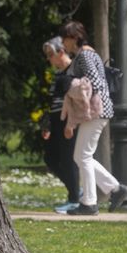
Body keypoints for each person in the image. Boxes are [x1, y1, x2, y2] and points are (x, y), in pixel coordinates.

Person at [58, 21, 127, 215]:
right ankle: (115, 189)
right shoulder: (87, 53)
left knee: (83, 156)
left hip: (96, 110)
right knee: (82, 156)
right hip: (98, 110)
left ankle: (89, 203)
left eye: (65, 39)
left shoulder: (86, 55)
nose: (64, 44)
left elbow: (94, 83)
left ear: (73, 38)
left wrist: (71, 83)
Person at [41, 37, 81, 213]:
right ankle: (75, 191)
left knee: (68, 159)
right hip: (56, 120)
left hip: (69, 119)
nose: (49, 59)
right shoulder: (57, 74)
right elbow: (52, 101)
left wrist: (71, 123)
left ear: (61, 52)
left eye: (51, 54)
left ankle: (74, 199)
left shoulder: (75, 70)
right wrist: (47, 124)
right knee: (51, 158)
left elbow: (79, 99)